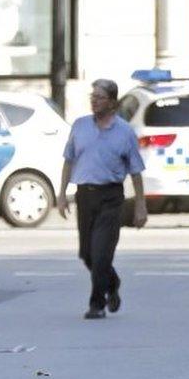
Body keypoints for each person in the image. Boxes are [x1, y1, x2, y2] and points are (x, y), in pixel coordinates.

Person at [57, 79, 148, 320]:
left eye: (100, 97)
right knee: (86, 254)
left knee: (101, 253)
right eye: (93, 96)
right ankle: (112, 281)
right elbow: (68, 161)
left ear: (112, 103)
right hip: (85, 196)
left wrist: (140, 206)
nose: (94, 101)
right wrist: (61, 195)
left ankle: (97, 304)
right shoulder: (79, 126)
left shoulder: (125, 132)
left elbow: (136, 172)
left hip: (111, 197)